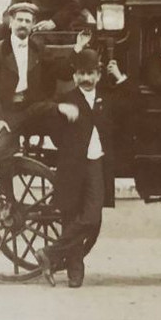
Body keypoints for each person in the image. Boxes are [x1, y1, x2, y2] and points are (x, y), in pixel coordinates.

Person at [36, 48, 125, 288]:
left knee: (92, 217)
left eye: (91, 74)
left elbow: (134, 104)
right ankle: (75, 273)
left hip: (97, 163)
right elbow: (50, 125)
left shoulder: (106, 97)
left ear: (98, 75)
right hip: (72, 166)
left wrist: (120, 76)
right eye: (81, 74)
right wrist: (69, 146)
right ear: (74, 76)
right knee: (71, 215)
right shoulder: (66, 99)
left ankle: (50, 253)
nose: (86, 79)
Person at [0, 3, 87, 158]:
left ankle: (68, 175)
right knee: (1, 153)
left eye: (28, 21)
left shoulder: (37, 49)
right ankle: (6, 183)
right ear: (11, 22)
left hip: (33, 109)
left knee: (67, 131)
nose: (23, 24)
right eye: (20, 20)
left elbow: (59, 72)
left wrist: (77, 48)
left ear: (33, 25)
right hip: (8, 114)